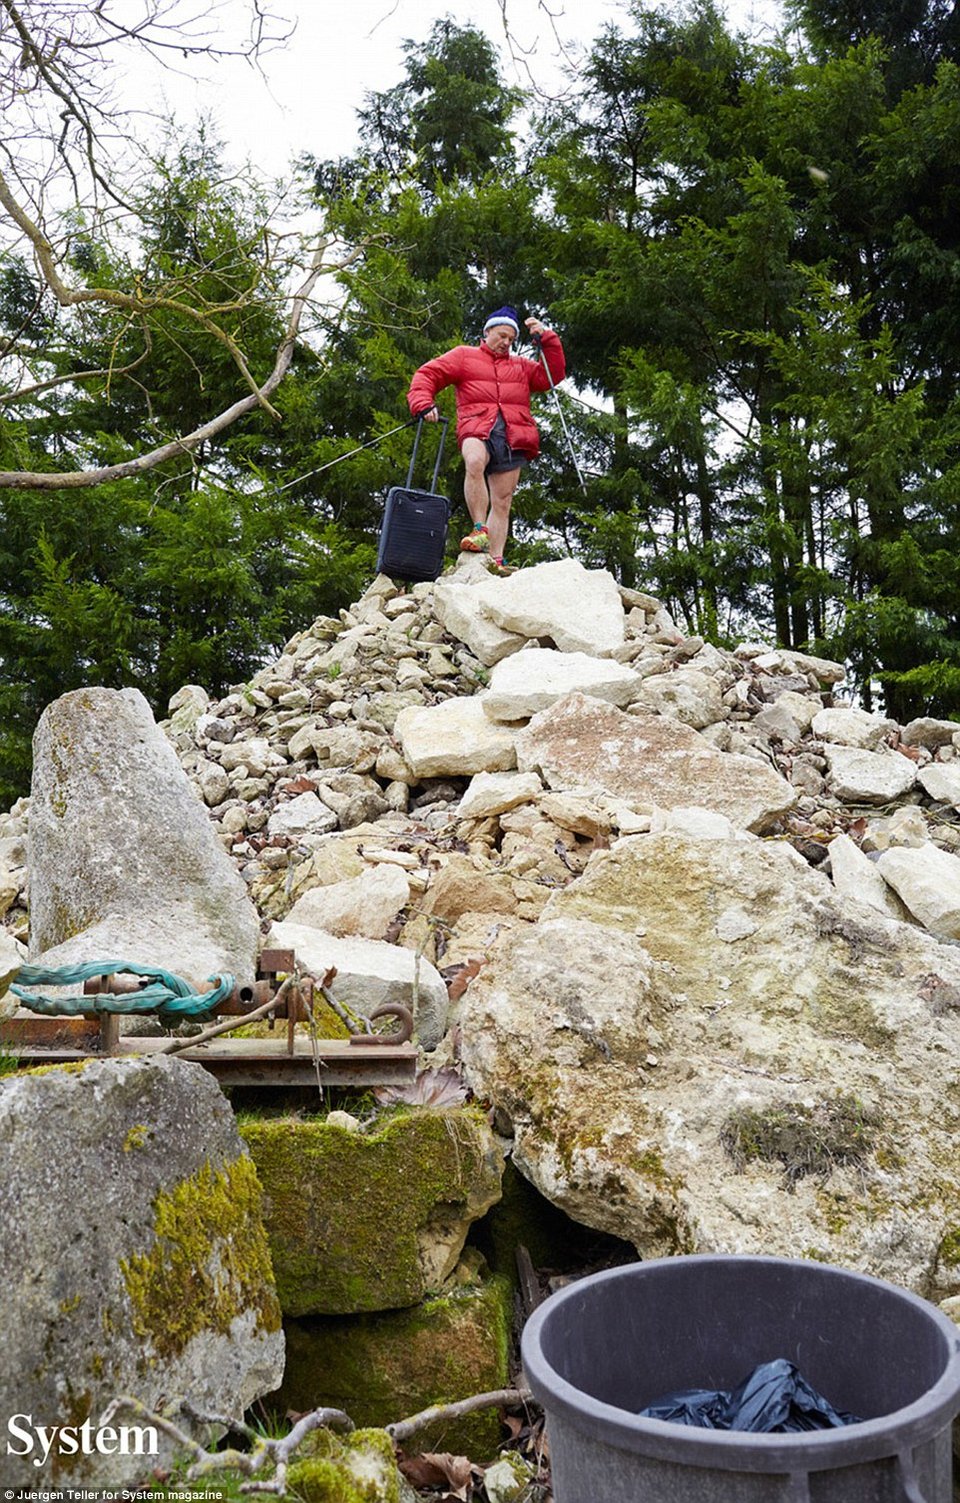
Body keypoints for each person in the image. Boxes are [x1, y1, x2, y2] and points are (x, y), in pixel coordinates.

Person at [406, 305, 566, 571]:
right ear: (488, 331)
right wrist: (423, 403)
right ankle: (479, 529)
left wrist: (547, 340)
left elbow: (551, 375)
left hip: (513, 435)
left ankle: (496, 560)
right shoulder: (464, 356)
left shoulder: (521, 367)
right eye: (502, 335)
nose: (506, 342)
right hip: (476, 426)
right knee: (474, 461)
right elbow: (428, 374)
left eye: (511, 339)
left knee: (503, 500)